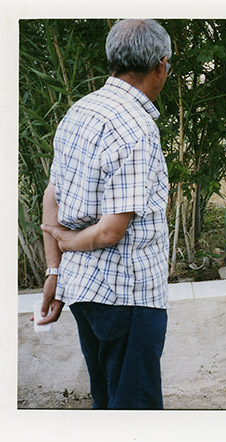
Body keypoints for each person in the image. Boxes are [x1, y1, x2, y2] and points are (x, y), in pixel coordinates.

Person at [36, 19, 173, 409]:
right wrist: (69, 241)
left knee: (106, 401)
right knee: (134, 411)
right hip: (127, 295)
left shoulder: (79, 110)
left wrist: (56, 270)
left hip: (85, 294)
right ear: (161, 64)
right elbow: (111, 231)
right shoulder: (136, 127)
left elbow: (52, 197)